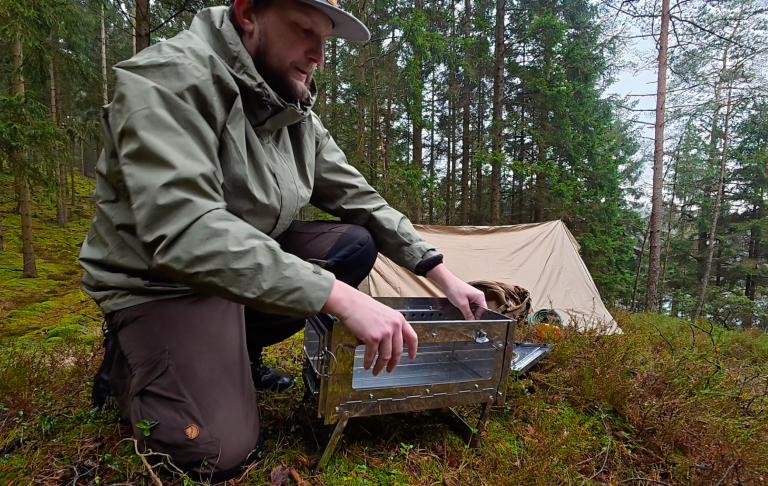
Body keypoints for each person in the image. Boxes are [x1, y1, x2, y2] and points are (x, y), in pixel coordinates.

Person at [79, 0, 486, 481]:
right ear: (248, 13)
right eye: (302, 31)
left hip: (237, 269)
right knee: (215, 452)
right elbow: (186, 230)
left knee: (353, 242)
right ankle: (129, 362)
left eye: (325, 39)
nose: (317, 54)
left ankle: (239, 353)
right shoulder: (166, 80)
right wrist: (339, 296)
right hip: (163, 283)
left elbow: (361, 199)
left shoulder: (293, 111)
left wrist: (440, 273)